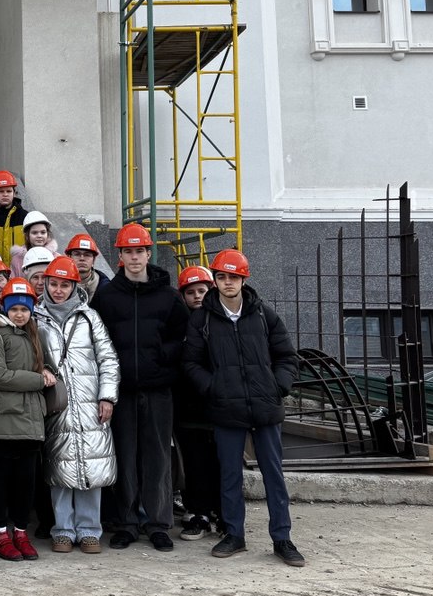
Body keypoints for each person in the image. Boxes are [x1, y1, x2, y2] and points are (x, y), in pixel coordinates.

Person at [183, 250, 305, 568]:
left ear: (243, 279)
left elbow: (287, 356)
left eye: (233, 277)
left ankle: (282, 538)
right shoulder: (202, 319)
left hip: (266, 408)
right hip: (226, 409)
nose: (228, 283)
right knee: (229, 475)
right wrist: (214, 388)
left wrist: (277, 386)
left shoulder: (264, 314)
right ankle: (234, 534)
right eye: (221, 277)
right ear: (215, 280)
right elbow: (191, 363)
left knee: (273, 475)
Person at [90, 223, 190, 553]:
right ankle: (127, 523)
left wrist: (162, 357)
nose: (134, 258)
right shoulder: (107, 296)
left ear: (149, 254)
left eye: (139, 251)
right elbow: (96, 340)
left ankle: (158, 524)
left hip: (158, 390)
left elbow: (183, 337)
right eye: (128, 252)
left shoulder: (168, 296)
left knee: (157, 457)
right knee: (125, 457)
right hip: (121, 391)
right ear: (120, 256)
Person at [36, 257, 120, 556]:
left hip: (90, 404)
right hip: (56, 404)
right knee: (59, 467)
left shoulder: (89, 317)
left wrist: (107, 396)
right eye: (53, 284)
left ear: (74, 286)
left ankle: (89, 531)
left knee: (91, 468)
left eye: (64, 285)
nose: (58, 290)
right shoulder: (35, 318)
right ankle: (62, 530)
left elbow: (107, 358)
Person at [0, 276, 51, 562]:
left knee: (25, 483)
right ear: (4, 308)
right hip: (2, 420)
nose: (19, 314)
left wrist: (46, 374)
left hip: (30, 420)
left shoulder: (35, 336)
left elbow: (45, 368)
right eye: (14, 308)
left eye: (24, 309)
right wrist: (39, 380)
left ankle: (20, 533)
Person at [174, 264, 221, 541]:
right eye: (191, 292)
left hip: (218, 406)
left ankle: (222, 513)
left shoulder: (220, 321)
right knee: (192, 463)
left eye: (201, 291)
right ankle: (198, 513)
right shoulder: (179, 324)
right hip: (187, 407)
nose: (197, 297)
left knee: (220, 462)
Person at [65, 233, 110, 303]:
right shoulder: (58, 285)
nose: (82, 258)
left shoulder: (106, 287)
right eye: (77, 254)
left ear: (94, 260)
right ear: (69, 257)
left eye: (87, 255)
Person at [10, 211, 57, 276]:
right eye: (34, 233)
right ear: (27, 235)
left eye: (43, 232)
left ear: (48, 234)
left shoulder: (56, 258)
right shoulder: (17, 259)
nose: (39, 236)